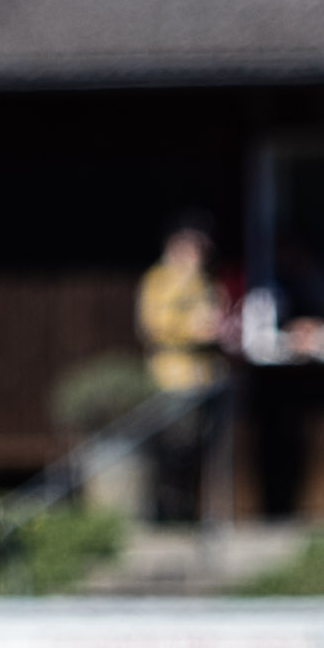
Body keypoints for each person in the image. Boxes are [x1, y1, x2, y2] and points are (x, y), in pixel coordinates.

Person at [136, 216, 227, 520]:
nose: (200, 254)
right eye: (194, 247)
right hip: (172, 377)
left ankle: (190, 511)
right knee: (173, 448)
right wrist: (192, 329)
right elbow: (154, 324)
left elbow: (214, 315)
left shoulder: (204, 280)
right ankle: (166, 512)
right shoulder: (159, 280)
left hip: (204, 377)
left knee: (199, 450)